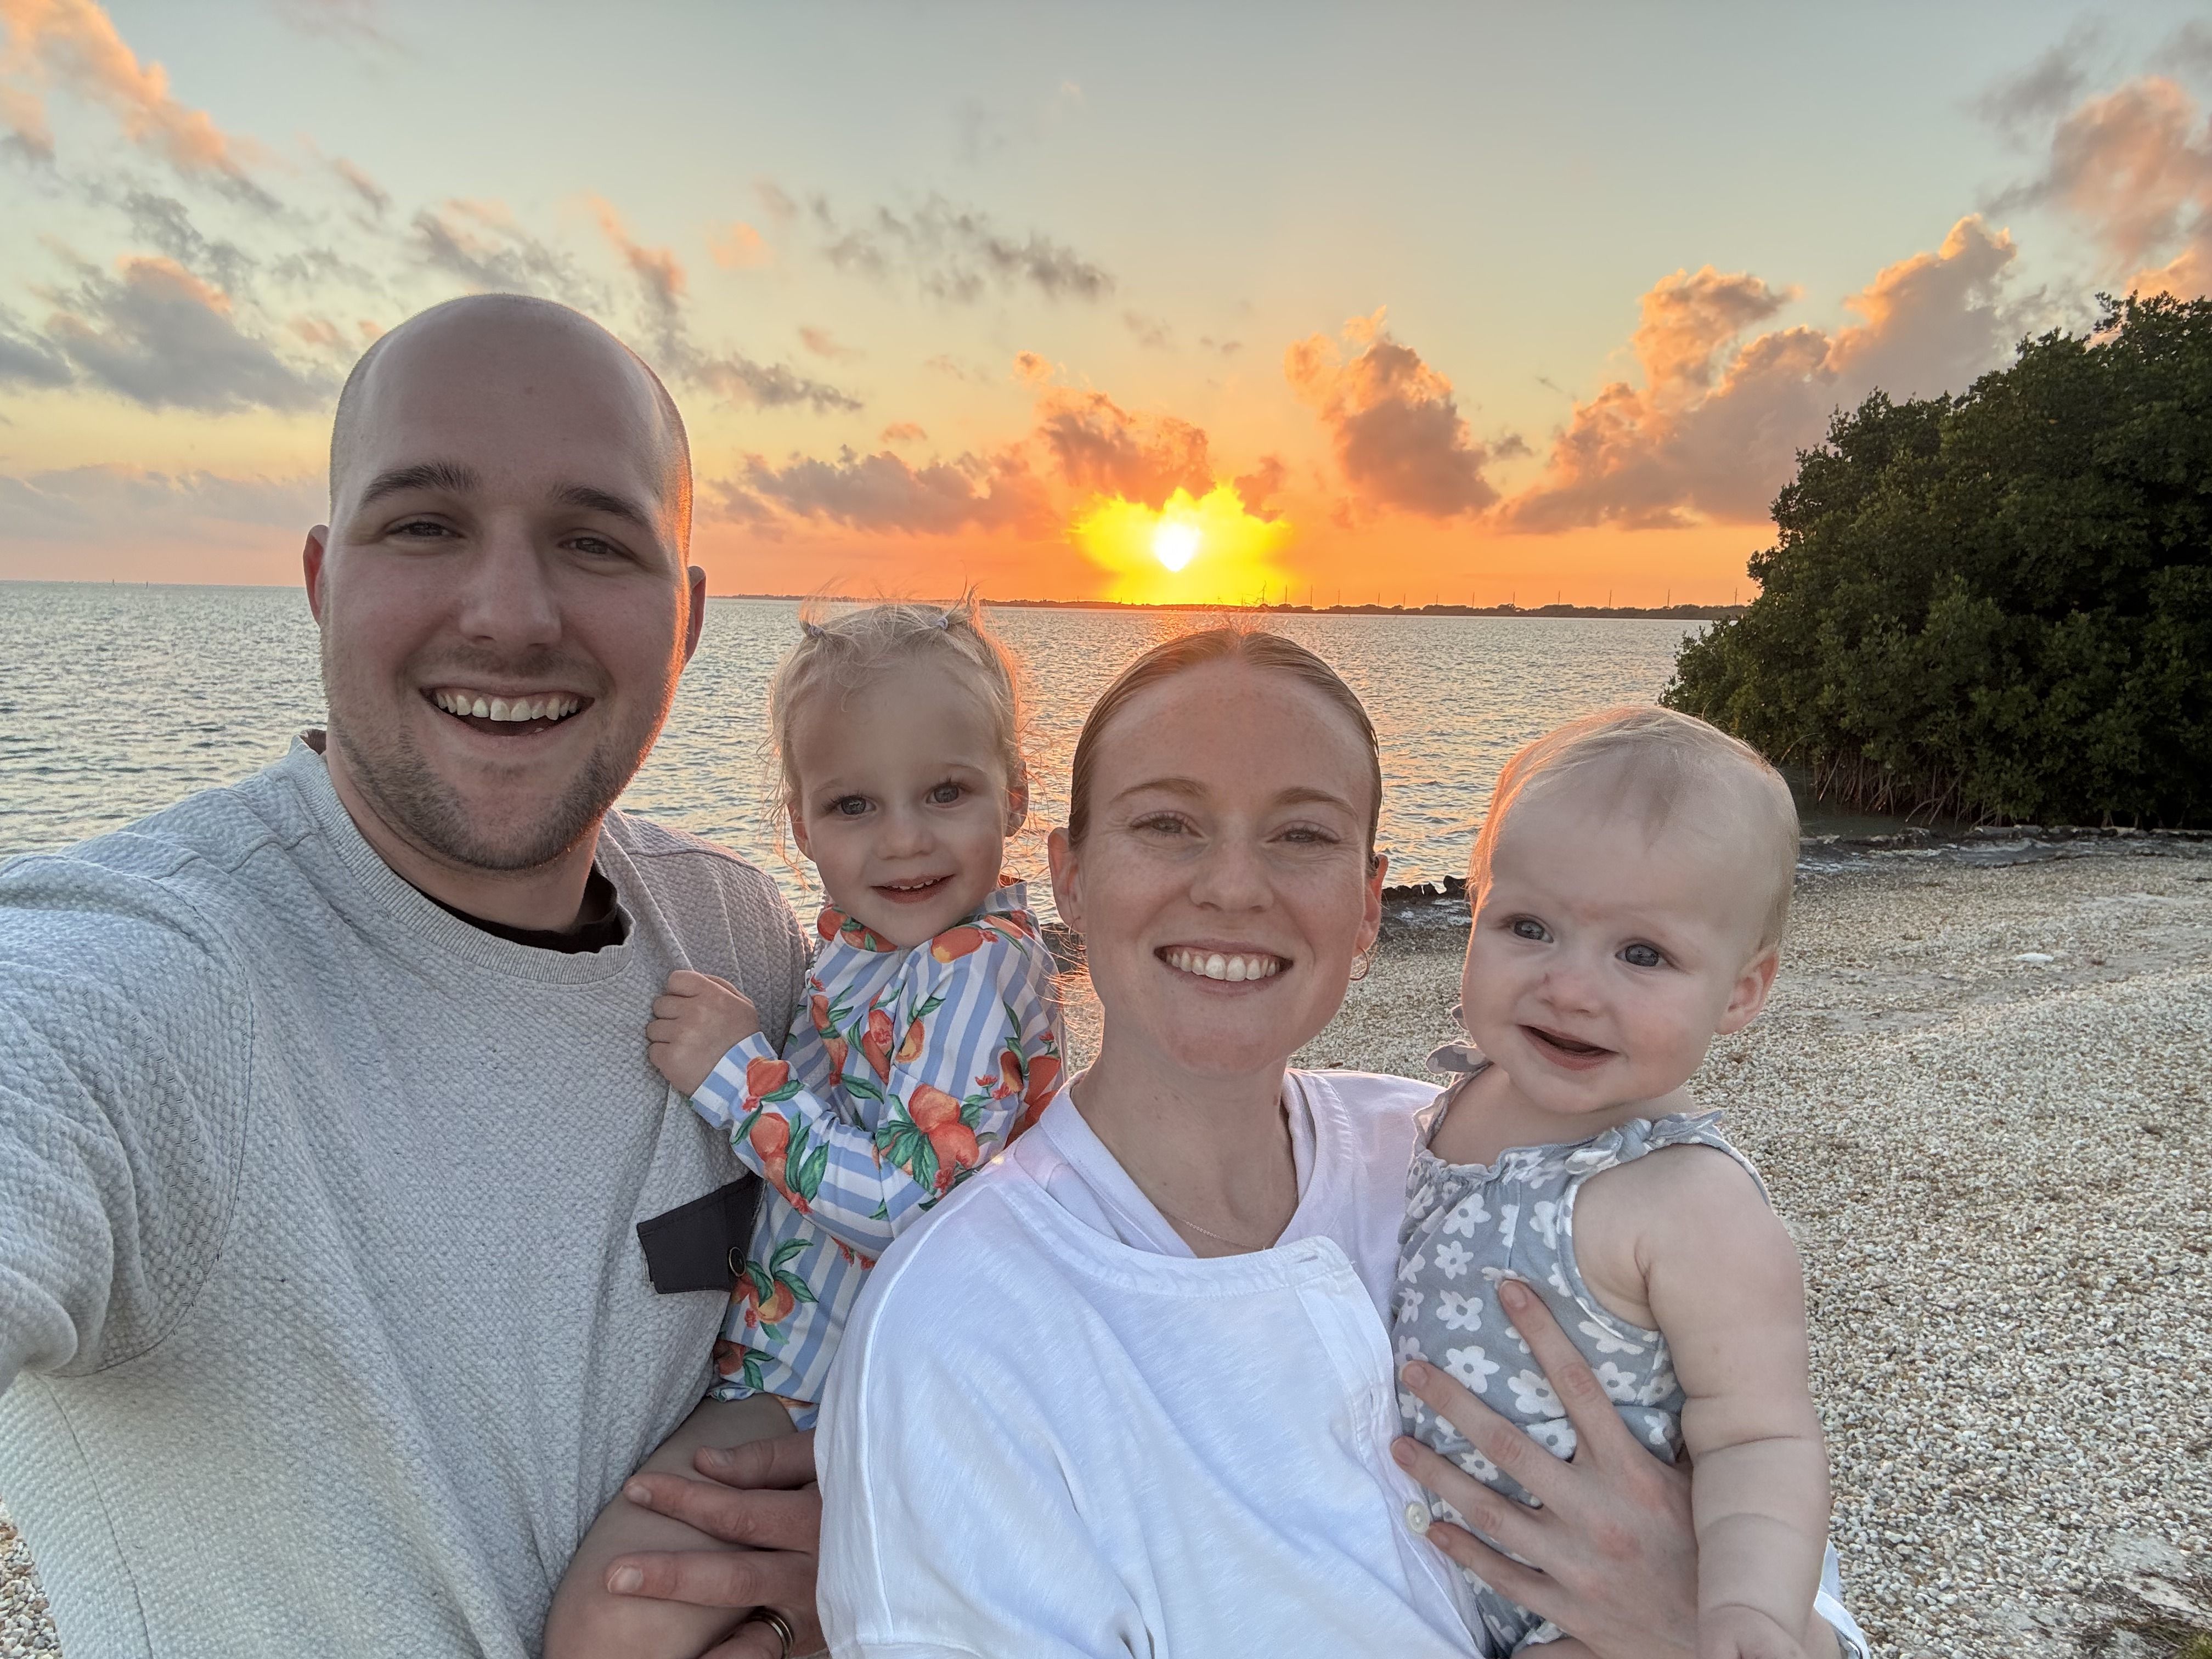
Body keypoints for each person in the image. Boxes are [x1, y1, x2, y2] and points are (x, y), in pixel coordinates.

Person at [0, 295, 823, 1659]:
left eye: (593, 540)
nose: (510, 615)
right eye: (426, 525)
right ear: (325, 582)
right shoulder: (147, 984)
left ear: (684, 620)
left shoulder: (736, 937)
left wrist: (843, 1572)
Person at [815, 628, 1868, 1658]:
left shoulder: (1486, 1157)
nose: (1234, 886)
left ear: (1369, 904)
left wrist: (1691, 1618)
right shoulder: (954, 1333)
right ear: (1070, 876)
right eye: (1169, 823)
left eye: (1304, 835)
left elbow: (1780, 1530)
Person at [546, 599, 1063, 1656]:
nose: (905, 837)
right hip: (808, 1368)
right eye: (854, 804)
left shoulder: (974, 968)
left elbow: (914, 1214)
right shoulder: (871, 953)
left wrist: (737, 1077)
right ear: (800, 826)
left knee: (612, 1621)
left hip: (832, 1389)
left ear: (1013, 795)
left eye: (946, 792)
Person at [1394, 707, 1828, 1658]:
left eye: (1642, 954)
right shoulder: (1457, 1099)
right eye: (1529, 927)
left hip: (1589, 1625)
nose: (1572, 988)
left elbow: (1760, 1437)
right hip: (1435, 1582)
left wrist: (1751, 1612)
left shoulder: (1689, 1199)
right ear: (1474, 912)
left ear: (1742, 990)